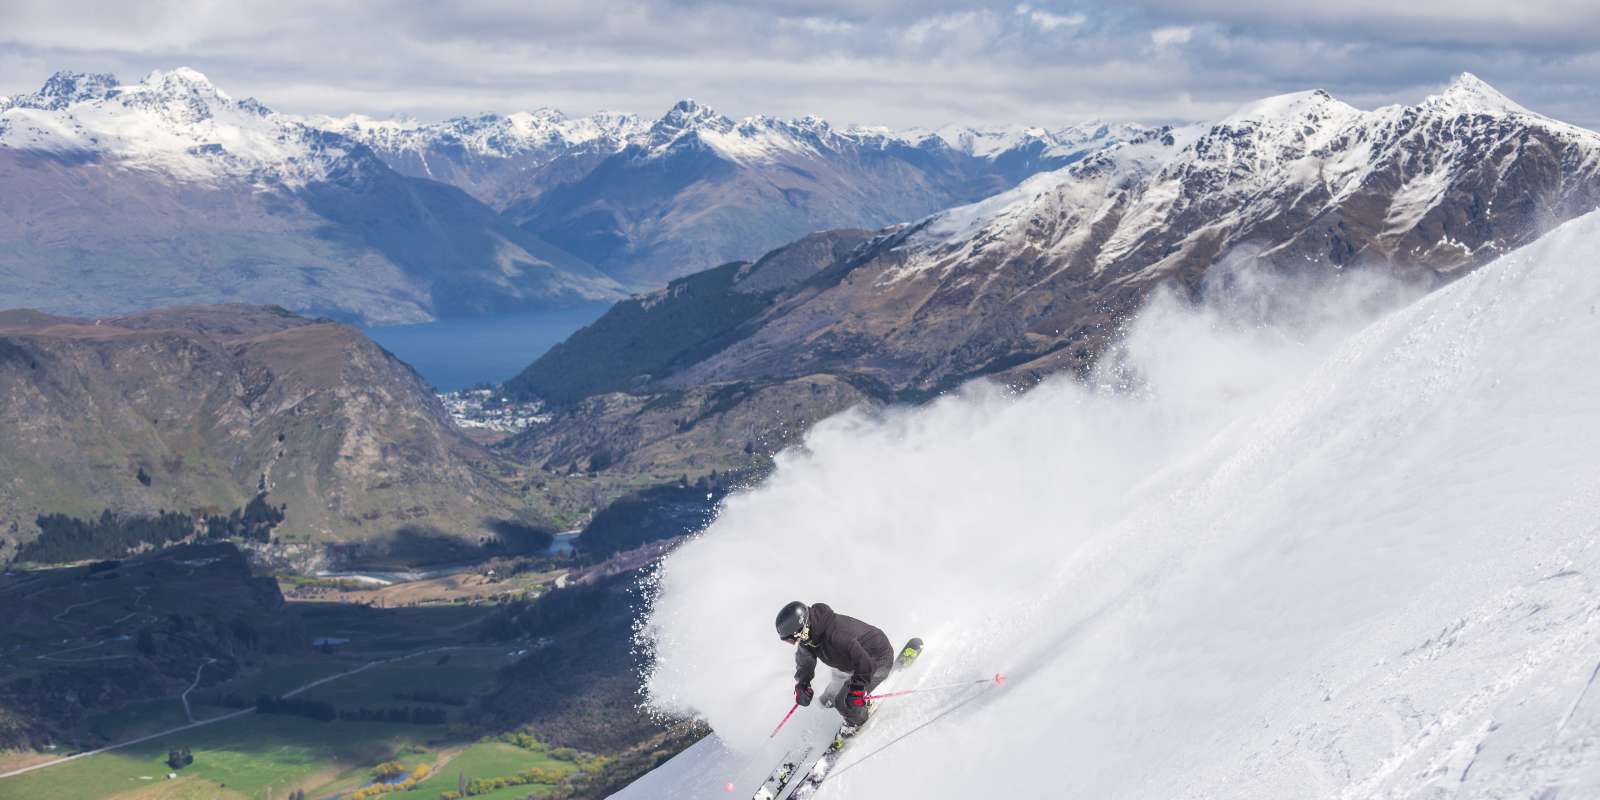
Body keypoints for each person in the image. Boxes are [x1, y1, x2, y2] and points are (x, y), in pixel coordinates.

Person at [776, 600, 894, 734]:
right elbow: (805, 661)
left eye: (791, 639)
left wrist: (857, 690)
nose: (793, 643)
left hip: (877, 659)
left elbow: (865, 663)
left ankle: (857, 722)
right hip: (851, 665)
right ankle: (852, 701)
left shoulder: (836, 635)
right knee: (827, 699)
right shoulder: (810, 635)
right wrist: (802, 684)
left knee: (843, 701)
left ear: (801, 630)